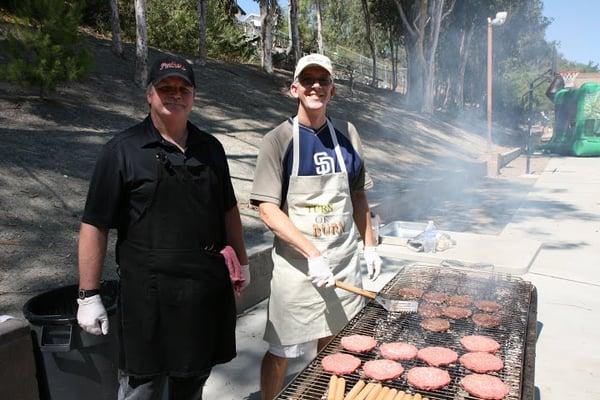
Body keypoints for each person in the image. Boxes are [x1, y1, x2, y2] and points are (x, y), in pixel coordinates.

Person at [76, 55, 249, 400]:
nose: (174, 94)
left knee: (192, 383)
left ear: (193, 96)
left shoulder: (210, 148)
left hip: (201, 296)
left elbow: (229, 210)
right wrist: (88, 294)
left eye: (183, 88)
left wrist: (242, 263)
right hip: (147, 300)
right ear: (149, 94)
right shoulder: (122, 151)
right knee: (145, 388)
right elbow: (95, 225)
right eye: (165, 87)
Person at [250, 54, 382, 399]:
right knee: (283, 350)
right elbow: (267, 209)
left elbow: (358, 196)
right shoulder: (277, 140)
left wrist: (369, 245)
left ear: (332, 90)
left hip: (342, 261)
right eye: (307, 80)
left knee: (336, 344)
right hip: (298, 268)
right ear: (294, 88)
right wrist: (312, 254)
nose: (315, 86)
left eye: (323, 80)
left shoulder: (347, 134)